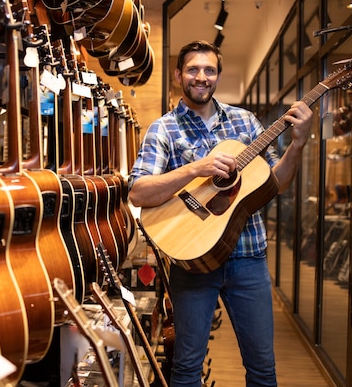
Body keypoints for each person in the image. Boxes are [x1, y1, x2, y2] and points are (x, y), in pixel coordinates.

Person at [128, 40, 313, 387]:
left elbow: (277, 182)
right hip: (193, 261)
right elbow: (139, 192)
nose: (201, 76)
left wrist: (299, 143)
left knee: (262, 369)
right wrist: (193, 169)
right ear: (178, 75)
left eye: (209, 70)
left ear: (218, 76)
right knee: (186, 368)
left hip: (248, 258)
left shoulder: (244, 121)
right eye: (193, 69)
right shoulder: (163, 129)